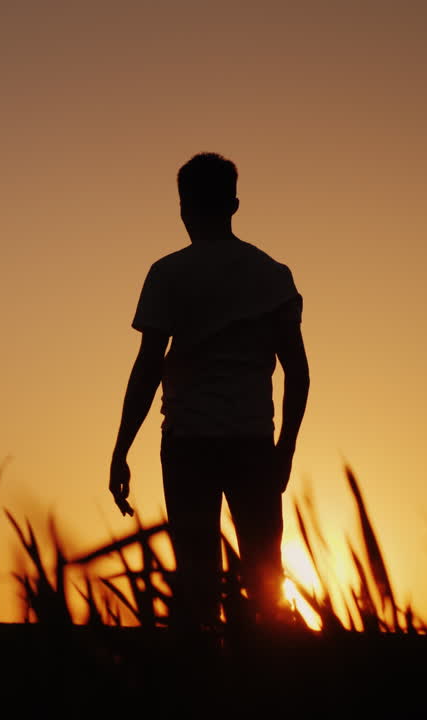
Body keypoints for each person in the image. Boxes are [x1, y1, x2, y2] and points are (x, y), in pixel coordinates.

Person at [108, 152, 309, 630]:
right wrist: (285, 450)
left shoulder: (168, 273)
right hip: (254, 443)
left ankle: (201, 686)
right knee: (264, 577)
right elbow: (297, 373)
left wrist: (120, 449)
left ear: (183, 207)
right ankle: (264, 686)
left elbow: (147, 368)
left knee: (196, 580)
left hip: (188, 443)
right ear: (234, 205)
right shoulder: (272, 275)